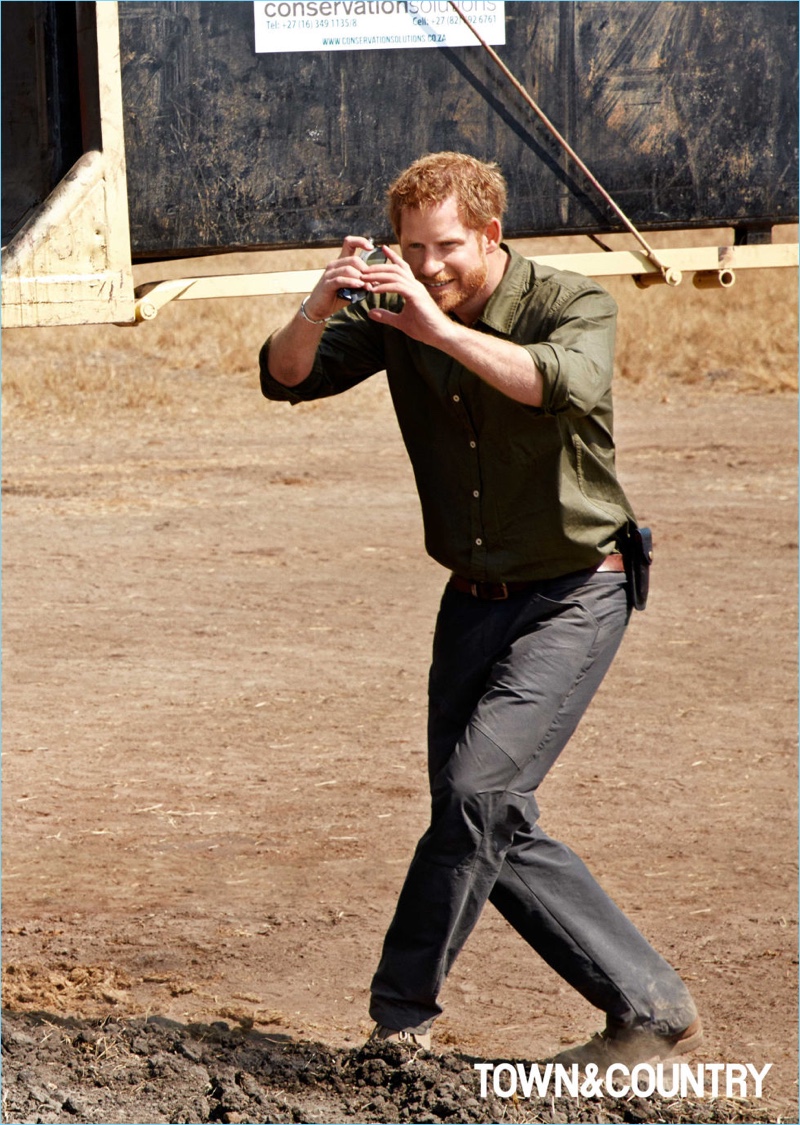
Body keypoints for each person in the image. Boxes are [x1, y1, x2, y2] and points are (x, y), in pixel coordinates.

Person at [259, 152, 701, 1067]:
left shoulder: (574, 303)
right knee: (486, 818)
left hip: (580, 588)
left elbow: (555, 383)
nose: (428, 267)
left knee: (474, 799)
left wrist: (435, 328)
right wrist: (320, 301)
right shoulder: (393, 309)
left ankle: (399, 1020)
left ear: (491, 234)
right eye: (412, 248)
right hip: (471, 597)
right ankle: (650, 1008)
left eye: (448, 247)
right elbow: (286, 377)